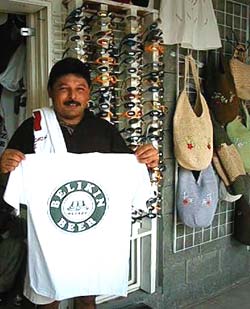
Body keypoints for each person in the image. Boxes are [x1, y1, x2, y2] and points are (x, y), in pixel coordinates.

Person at [0, 57, 159, 309]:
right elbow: (10, 185)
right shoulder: (33, 128)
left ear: (88, 95)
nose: (72, 96)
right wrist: (5, 165)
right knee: (47, 298)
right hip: (47, 237)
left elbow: (128, 175)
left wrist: (145, 162)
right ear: (51, 93)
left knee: (86, 296)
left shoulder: (104, 131)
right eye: (64, 88)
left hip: (91, 239)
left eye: (80, 89)